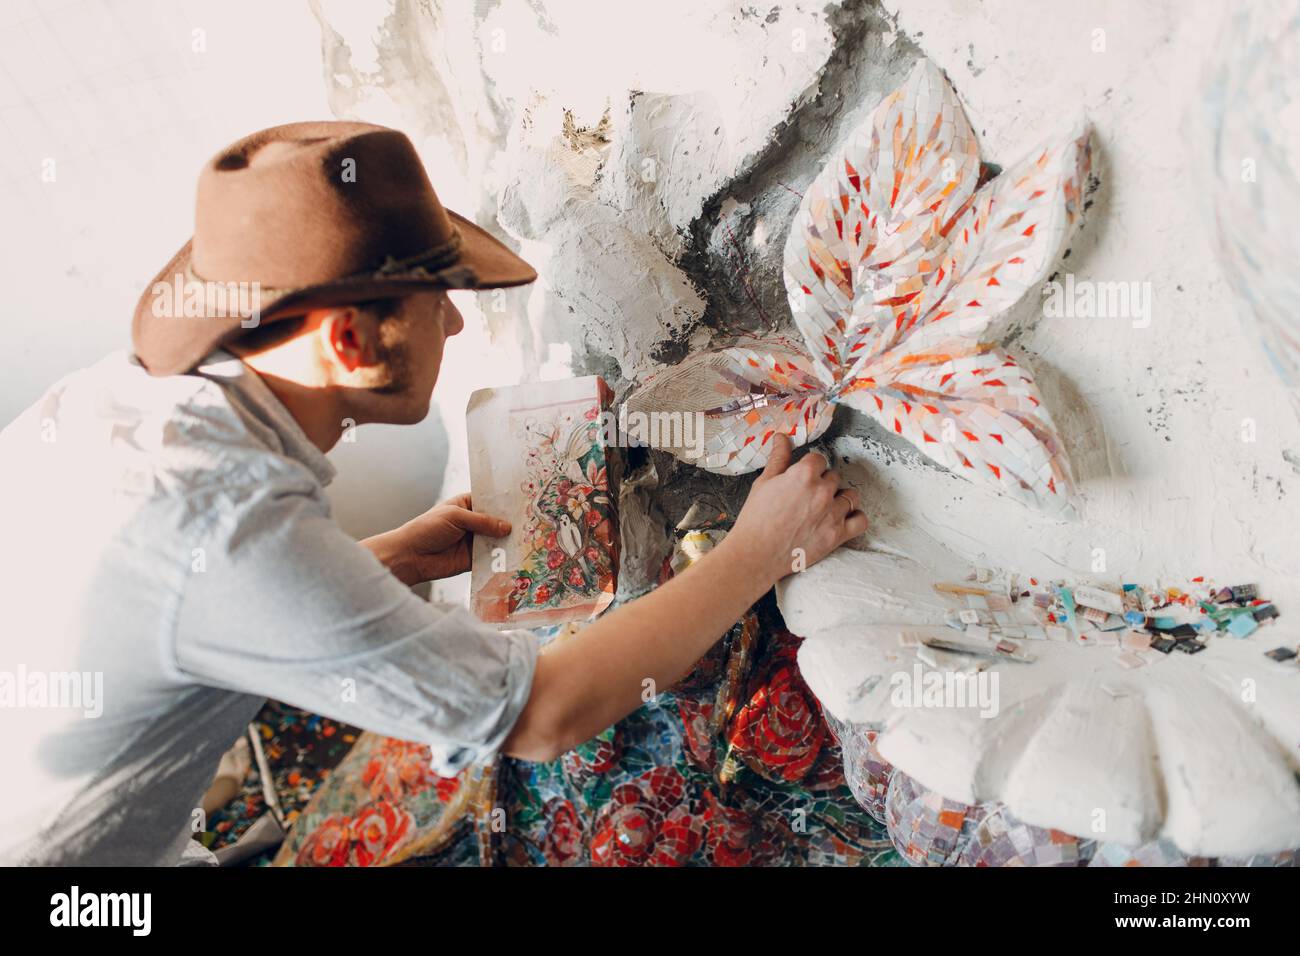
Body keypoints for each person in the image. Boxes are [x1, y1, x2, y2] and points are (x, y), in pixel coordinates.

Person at [0, 122, 866, 865]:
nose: (453, 323)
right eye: (437, 304)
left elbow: (180, 600)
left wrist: (375, 561)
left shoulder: (115, 406)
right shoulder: (230, 528)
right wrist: (762, 549)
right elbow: (541, 716)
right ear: (348, 341)